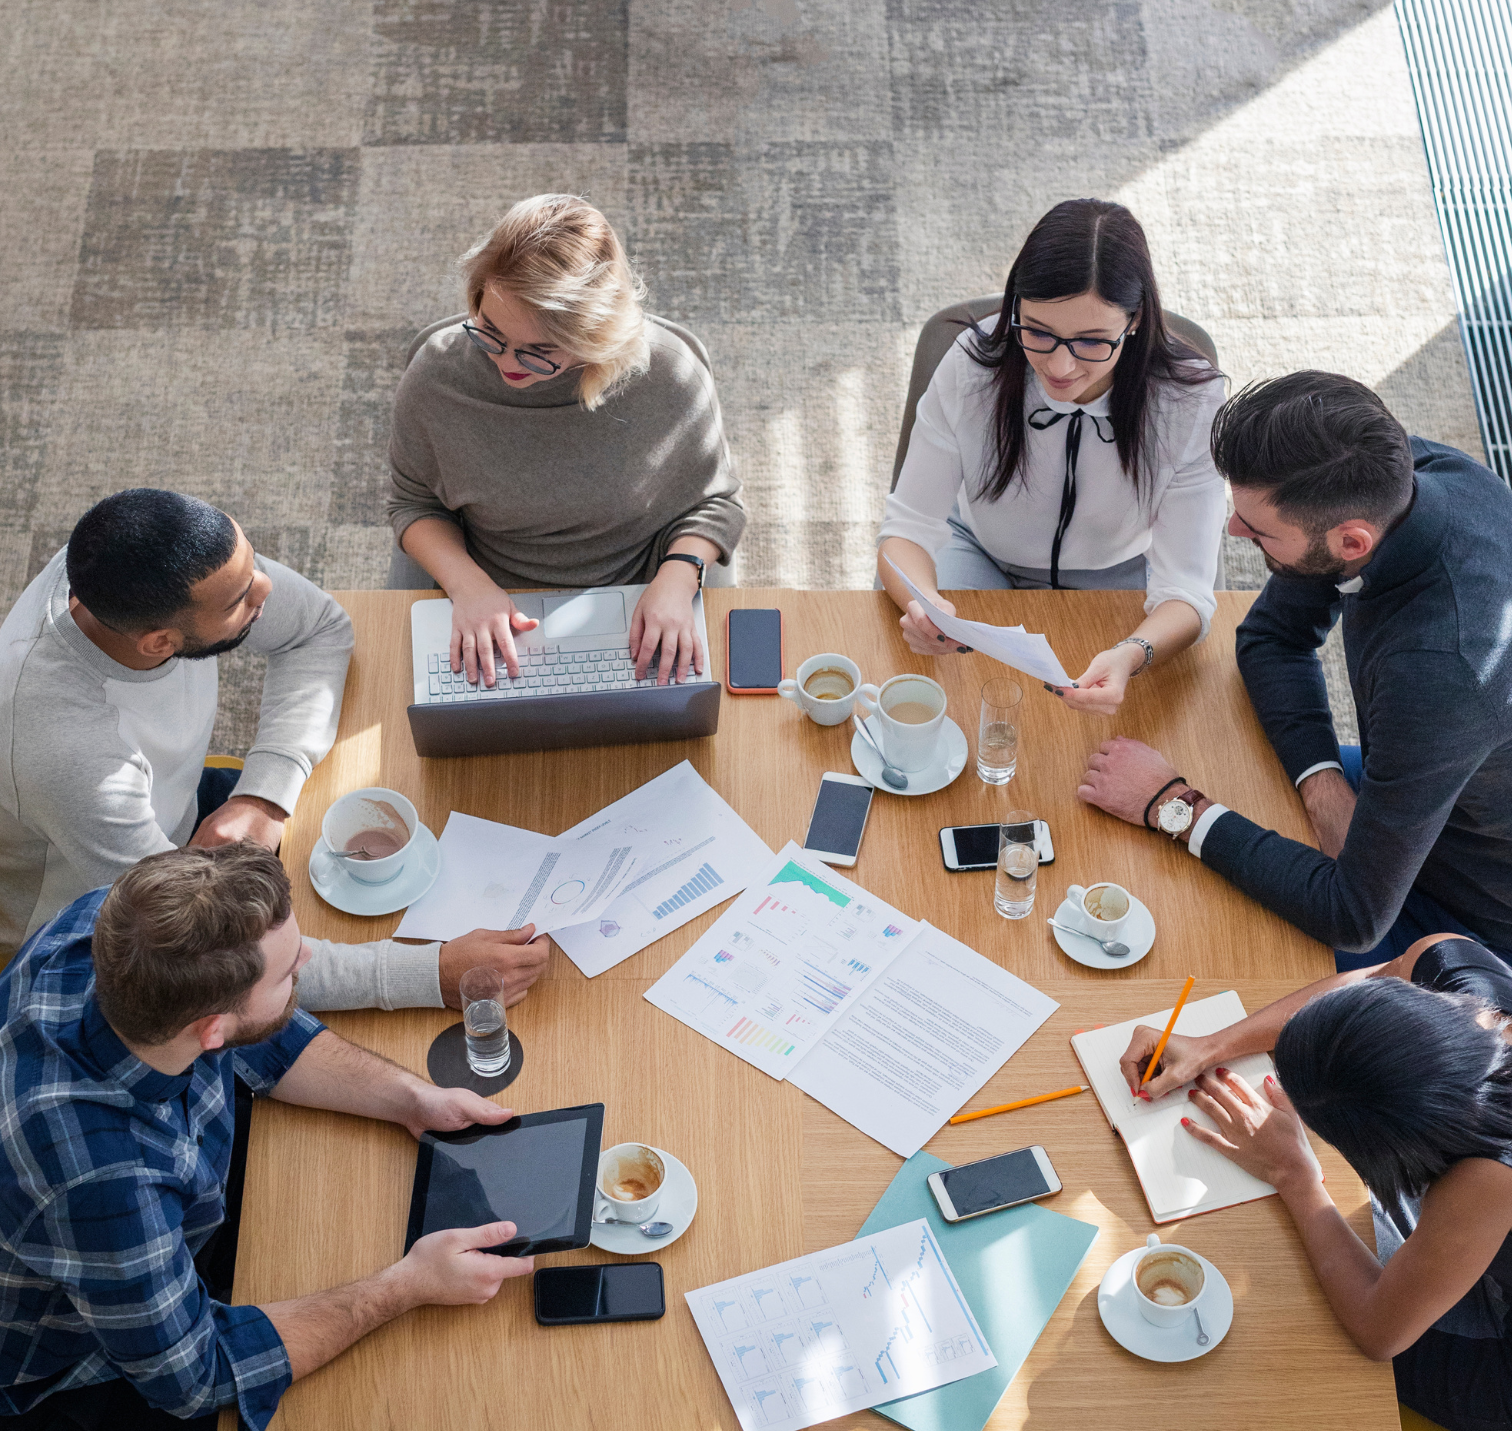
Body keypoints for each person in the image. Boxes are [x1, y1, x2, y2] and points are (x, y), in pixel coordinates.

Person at [0, 844, 537, 1431]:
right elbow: (195, 1376)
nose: (308, 957)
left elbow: (263, 1032)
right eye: (287, 971)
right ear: (209, 1030)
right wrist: (408, 1285)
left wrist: (411, 1099)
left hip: (168, 1220)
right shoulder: (103, 1177)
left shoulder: (117, 921)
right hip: (79, 1351)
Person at [1076, 372, 1512, 969]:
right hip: (1410, 791)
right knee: (1212, 751)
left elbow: (1354, 916)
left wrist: (1173, 806)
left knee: (1202, 956)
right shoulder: (1404, 472)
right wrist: (1325, 786)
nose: (1233, 530)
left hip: (1462, 913)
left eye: (1259, 531)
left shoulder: (1441, 670)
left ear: (1352, 542)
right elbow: (1270, 638)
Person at [1120, 932, 1512, 1430]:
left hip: (1496, 1351)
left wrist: (1296, 1176)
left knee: (1291, 1345)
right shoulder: (1450, 968)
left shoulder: (1489, 1178)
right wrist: (1213, 1045)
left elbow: (1379, 1330)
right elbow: (1372, 976)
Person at [877, 199, 1226, 716]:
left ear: (1133, 322)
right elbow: (905, 527)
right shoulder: (973, 366)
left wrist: (1135, 653)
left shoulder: (1191, 400)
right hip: (980, 552)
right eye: (1037, 331)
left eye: (1091, 342)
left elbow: (1187, 589)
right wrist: (923, 604)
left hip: (1118, 571)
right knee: (946, 705)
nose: (1060, 366)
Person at [387, 193, 745, 691]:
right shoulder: (436, 377)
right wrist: (468, 588)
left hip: (642, 591)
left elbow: (717, 503)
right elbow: (414, 501)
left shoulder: (668, 376)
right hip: (487, 593)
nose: (508, 363)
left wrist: (678, 578)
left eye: (540, 351)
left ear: (594, 335)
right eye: (489, 331)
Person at [0, 489, 351, 952]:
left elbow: (320, 627)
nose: (265, 587)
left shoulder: (147, 558)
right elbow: (193, 951)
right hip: (96, 916)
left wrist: (262, 795)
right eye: (239, 600)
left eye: (250, 564)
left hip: (177, 821)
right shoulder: (71, 751)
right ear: (159, 643)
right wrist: (435, 972)